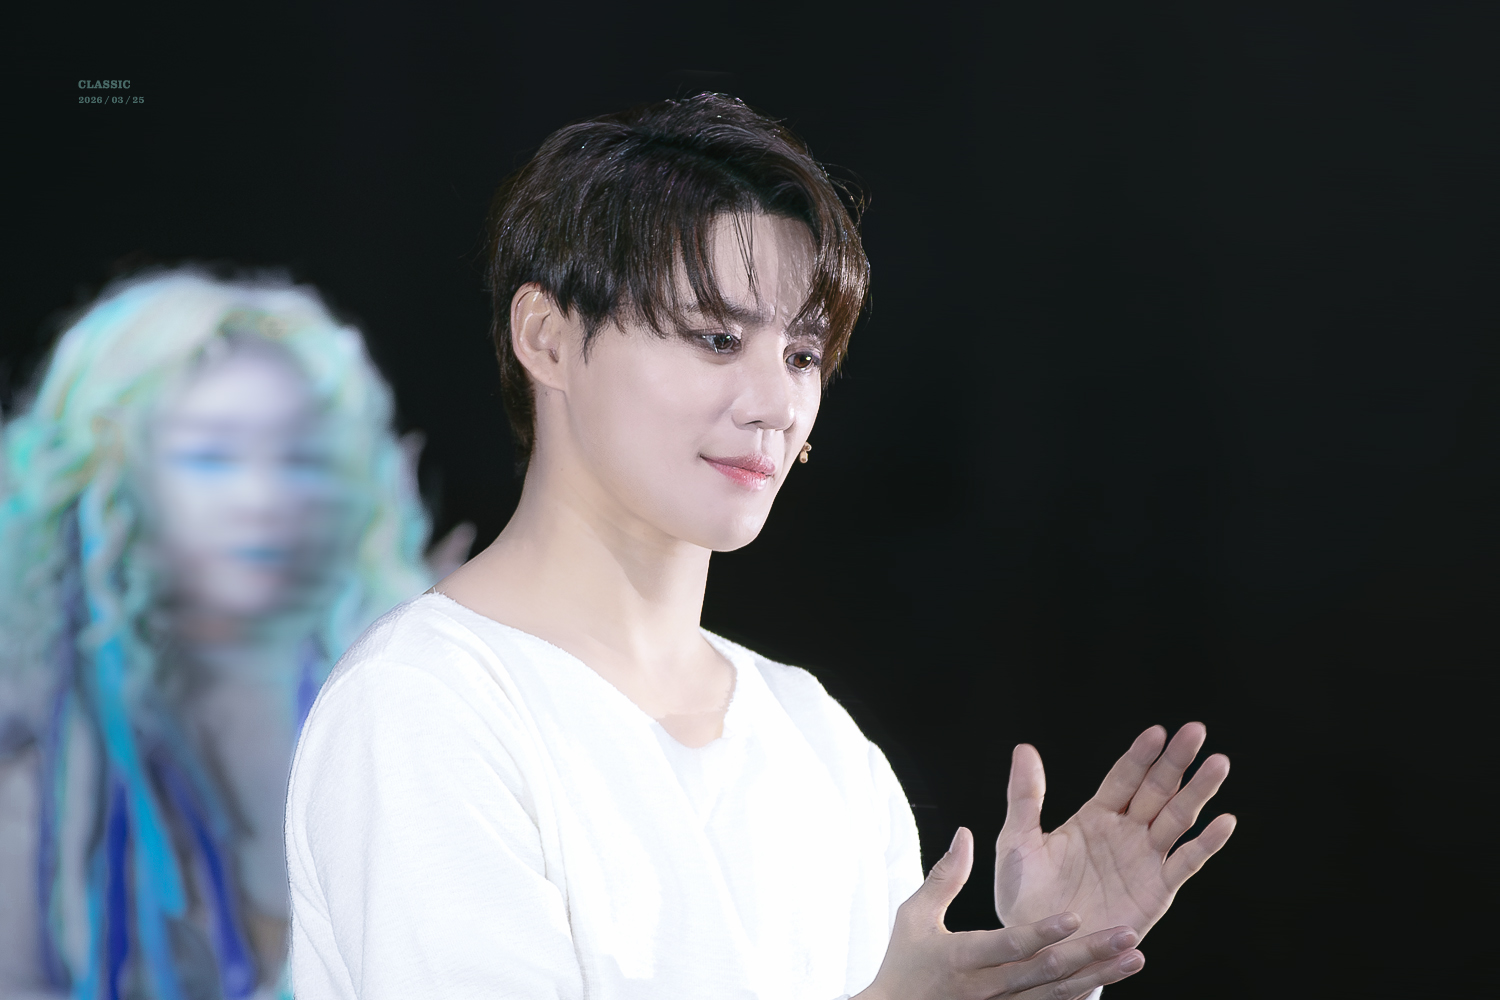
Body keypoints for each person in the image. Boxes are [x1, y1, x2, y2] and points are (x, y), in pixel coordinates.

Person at [284, 94, 1236, 1000]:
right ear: (548, 337)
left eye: (802, 355)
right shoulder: (426, 702)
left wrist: (1034, 972)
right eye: (714, 338)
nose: (776, 404)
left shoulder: (813, 736)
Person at [0, 270, 460, 999]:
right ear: (107, 481)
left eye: (299, 458)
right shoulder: (39, 774)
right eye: (211, 457)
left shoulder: (428, 704)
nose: (262, 498)